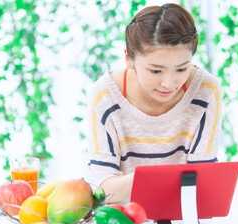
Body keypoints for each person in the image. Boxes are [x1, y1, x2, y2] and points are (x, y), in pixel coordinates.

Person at [87, 3, 222, 203]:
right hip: (124, 221)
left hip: (183, 217)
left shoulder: (206, 91)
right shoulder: (104, 96)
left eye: (181, 69)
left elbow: (201, 180)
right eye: (155, 71)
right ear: (129, 59)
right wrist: (156, 178)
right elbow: (102, 190)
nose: (169, 83)